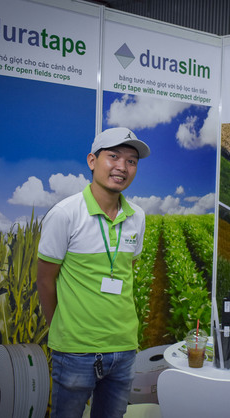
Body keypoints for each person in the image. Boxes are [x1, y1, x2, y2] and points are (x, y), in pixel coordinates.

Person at [36, 127, 151, 418]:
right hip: (75, 350)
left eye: (131, 161)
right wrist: (62, 327)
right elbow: (45, 280)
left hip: (124, 348)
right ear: (92, 161)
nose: (122, 167)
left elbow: (126, 272)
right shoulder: (65, 214)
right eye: (114, 156)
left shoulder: (137, 216)